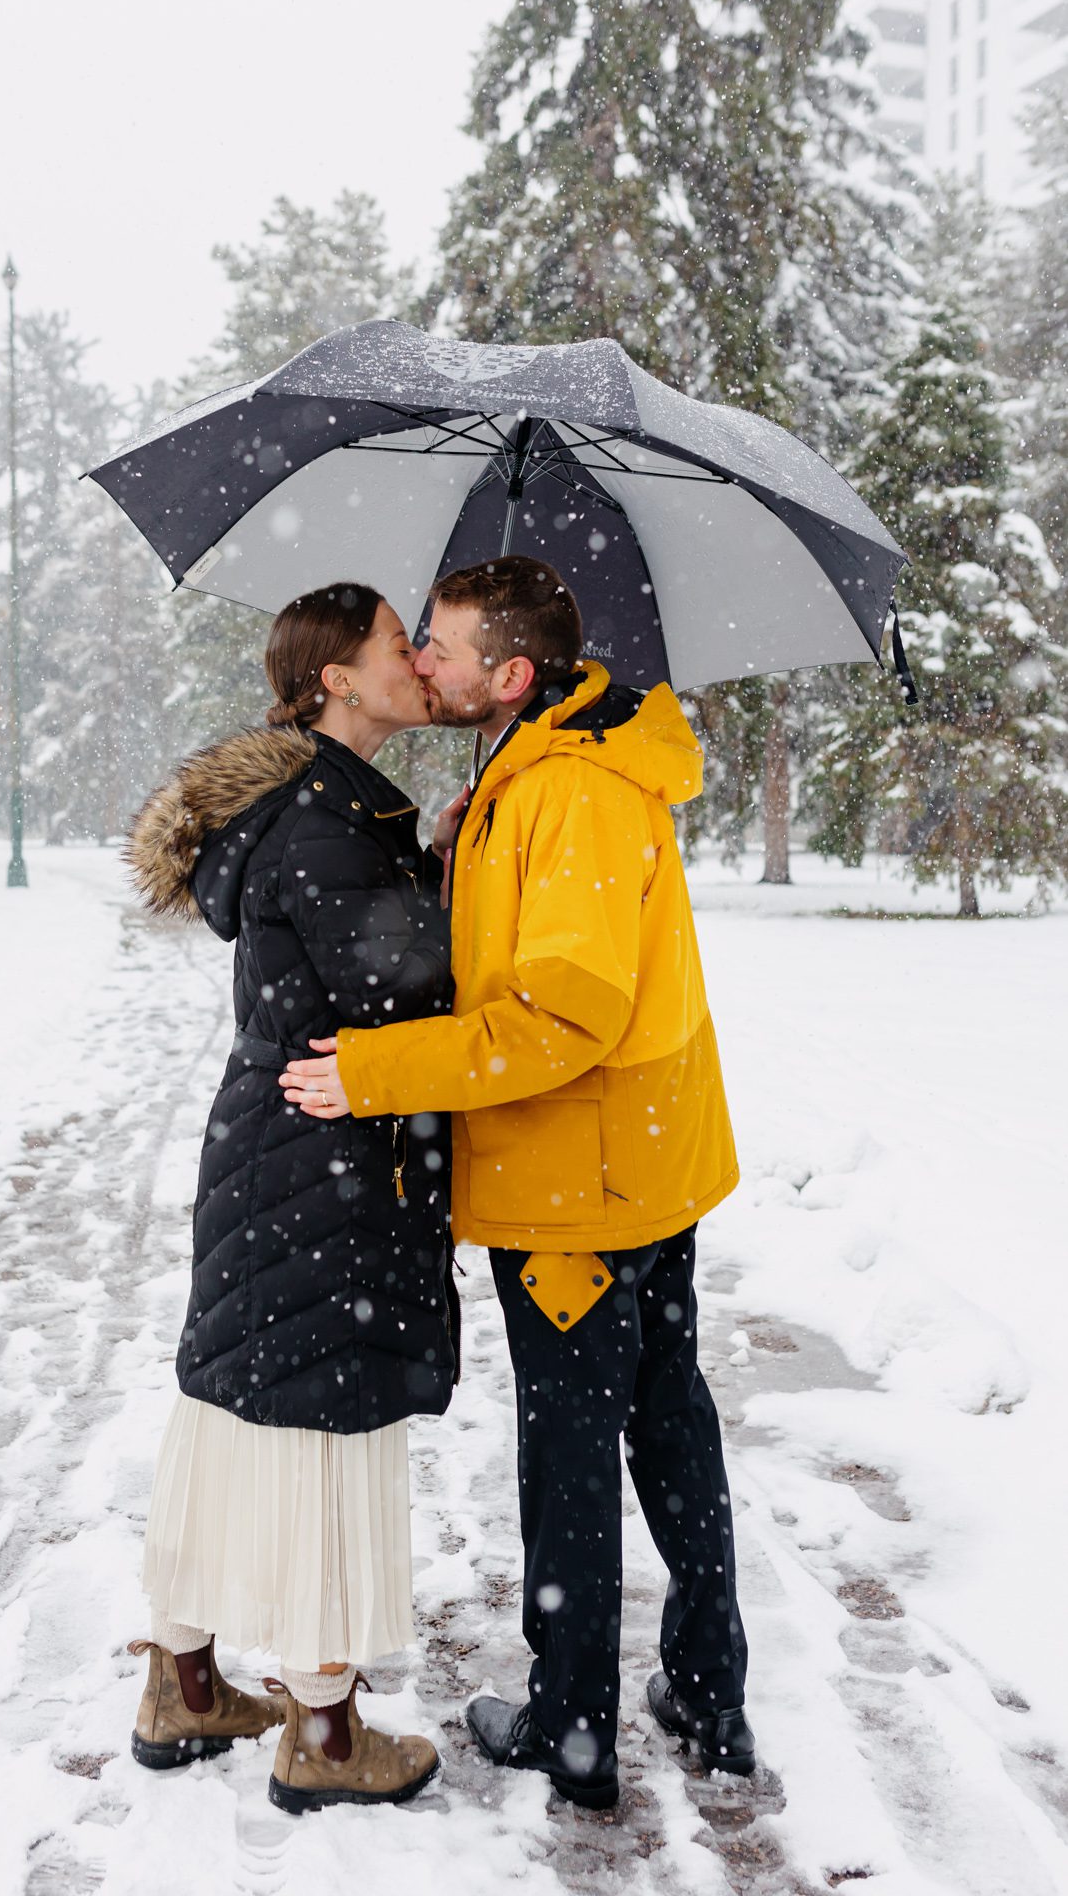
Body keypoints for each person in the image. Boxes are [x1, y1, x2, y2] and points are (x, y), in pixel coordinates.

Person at [281, 555, 753, 1811]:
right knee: (664, 1419)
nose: (421, 662)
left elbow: (562, 1011)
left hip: (579, 1190)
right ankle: (707, 1688)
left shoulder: (574, 791)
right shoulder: (542, 766)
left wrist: (378, 1069)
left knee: (575, 1456)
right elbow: (542, 945)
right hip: (636, 1162)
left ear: (514, 671)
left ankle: (572, 1725)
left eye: (437, 643)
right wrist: (464, 855)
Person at [125, 582, 460, 1813]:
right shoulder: (325, 815)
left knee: (233, 1412)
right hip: (330, 1166)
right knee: (324, 1426)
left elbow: (361, 952)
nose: (418, 661)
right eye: (394, 643)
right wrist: (465, 876)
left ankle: (188, 1679)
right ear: (335, 678)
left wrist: (425, 856)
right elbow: (412, 990)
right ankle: (322, 1729)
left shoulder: (309, 807)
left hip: (274, 1154)